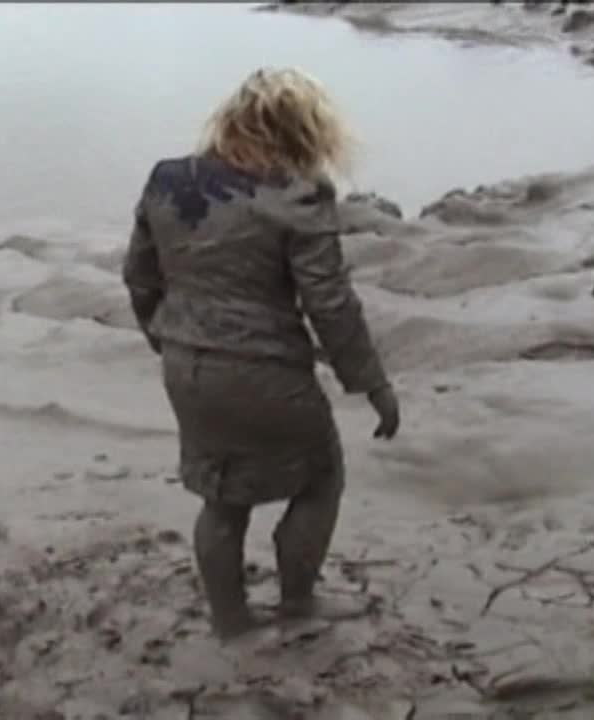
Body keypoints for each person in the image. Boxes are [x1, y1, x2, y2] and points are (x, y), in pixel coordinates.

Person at [122, 67, 400, 640]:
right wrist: (372, 383)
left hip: (187, 368)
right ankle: (297, 602)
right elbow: (330, 303)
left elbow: (139, 276)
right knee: (320, 478)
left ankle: (230, 622)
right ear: (305, 130)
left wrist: (165, 337)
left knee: (222, 499)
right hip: (266, 372)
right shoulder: (297, 195)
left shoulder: (168, 181)